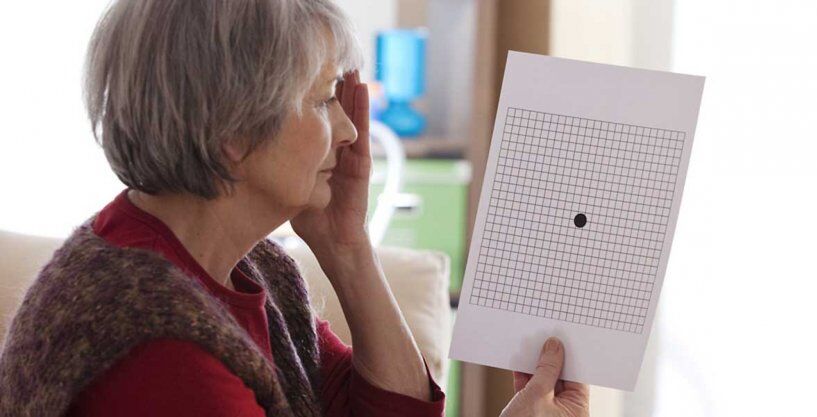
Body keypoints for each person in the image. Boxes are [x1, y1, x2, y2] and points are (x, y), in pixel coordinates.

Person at [0, 0, 590, 416]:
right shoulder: (157, 346)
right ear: (233, 128)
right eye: (324, 98)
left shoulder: (249, 269)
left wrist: (347, 246)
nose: (349, 131)